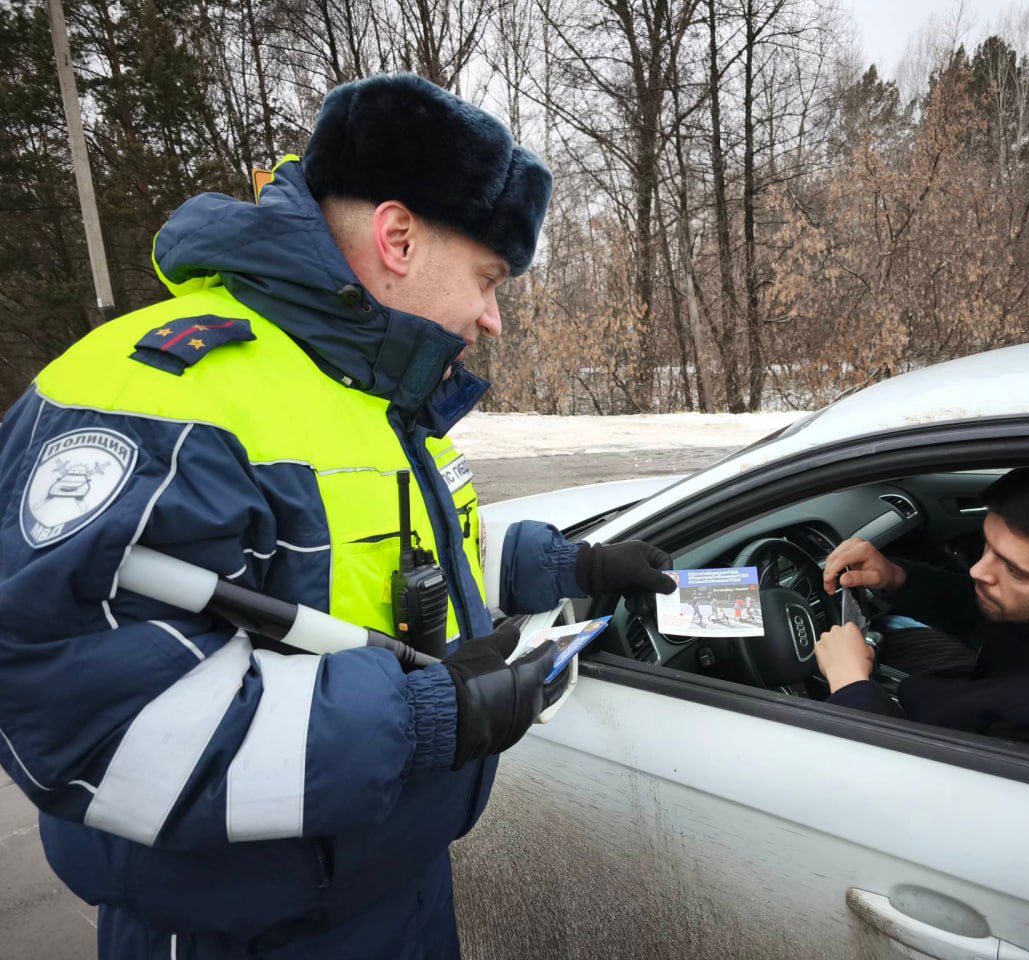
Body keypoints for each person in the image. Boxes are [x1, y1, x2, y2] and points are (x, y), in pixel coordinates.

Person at [0, 74, 674, 960]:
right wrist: (426, 720)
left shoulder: (376, 389)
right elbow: (84, 712)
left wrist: (571, 570)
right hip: (240, 932)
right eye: (488, 277)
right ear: (398, 237)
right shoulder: (154, 392)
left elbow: (410, 558)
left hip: (396, 890)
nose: (493, 318)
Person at [814, 468, 1029, 749]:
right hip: (958, 686)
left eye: (1014, 570)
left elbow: (920, 791)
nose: (977, 571)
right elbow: (986, 609)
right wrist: (895, 576)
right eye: (987, 545)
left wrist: (850, 685)